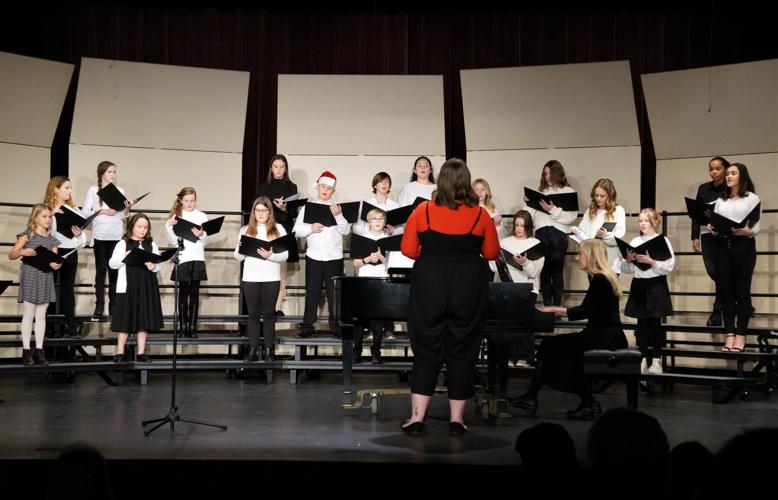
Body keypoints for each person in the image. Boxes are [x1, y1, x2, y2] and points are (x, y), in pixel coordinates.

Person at [400, 158, 500, 435]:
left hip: (430, 284)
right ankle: (457, 420)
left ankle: (417, 418)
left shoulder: (424, 210)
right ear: (466, 182)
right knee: (462, 350)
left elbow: (408, 249)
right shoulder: (480, 215)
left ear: (441, 181)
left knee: (426, 349)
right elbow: (491, 253)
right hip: (467, 286)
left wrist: (432, 257)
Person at [512, 239, 627, 420]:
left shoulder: (600, 279)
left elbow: (585, 311)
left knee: (551, 347)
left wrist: (553, 309)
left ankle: (537, 397)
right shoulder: (600, 277)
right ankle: (534, 397)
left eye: (580, 254)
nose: (577, 258)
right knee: (551, 346)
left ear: (590, 256)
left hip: (605, 337)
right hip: (602, 334)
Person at [292, 171, 350, 337]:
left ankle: (336, 326)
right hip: (314, 257)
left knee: (335, 294)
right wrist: (311, 227)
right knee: (312, 291)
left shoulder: (337, 208)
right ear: (318, 187)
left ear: (333, 191)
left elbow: (345, 230)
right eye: (323, 187)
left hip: (334, 257)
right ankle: (308, 325)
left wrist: (338, 216)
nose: (326, 190)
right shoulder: (307, 208)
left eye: (329, 188)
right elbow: (296, 230)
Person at [709, 162, 760, 353]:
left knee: (742, 291)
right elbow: (716, 222)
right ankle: (729, 334)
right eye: (728, 173)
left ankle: (741, 335)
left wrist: (748, 231)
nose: (729, 176)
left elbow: (756, 227)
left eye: (732, 173)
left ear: (742, 176)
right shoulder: (721, 200)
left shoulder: (752, 198)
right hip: (723, 247)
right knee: (725, 292)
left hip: (743, 247)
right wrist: (713, 228)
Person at [234, 196, 289, 361]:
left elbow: (285, 255)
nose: (260, 213)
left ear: (269, 212)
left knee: (269, 314)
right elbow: (237, 256)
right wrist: (243, 249)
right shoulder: (246, 229)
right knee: (253, 314)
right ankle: (252, 350)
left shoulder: (278, 229)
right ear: (253, 212)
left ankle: (268, 350)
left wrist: (271, 255)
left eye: (264, 210)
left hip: (271, 277)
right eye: (257, 210)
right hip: (250, 277)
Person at [622, 208, 675, 374]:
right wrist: (629, 261)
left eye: (645, 220)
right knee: (642, 325)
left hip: (656, 284)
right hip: (639, 284)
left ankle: (657, 361)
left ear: (654, 222)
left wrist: (652, 262)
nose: (642, 224)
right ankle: (642, 359)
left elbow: (670, 265)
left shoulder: (662, 240)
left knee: (655, 325)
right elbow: (626, 269)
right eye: (640, 221)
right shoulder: (635, 240)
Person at [489, 210, 545, 366]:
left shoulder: (535, 244)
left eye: (523, 226)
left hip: (527, 289)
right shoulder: (505, 242)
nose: (519, 229)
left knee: (523, 323)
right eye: (517, 225)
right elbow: (494, 266)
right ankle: (508, 357)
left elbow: (535, 272)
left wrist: (524, 263)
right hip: (506, 288)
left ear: (529, 227)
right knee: (507, 325)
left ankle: (524, 357)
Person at [8, 204, 62, 366]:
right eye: (44, 216)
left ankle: (39, 350)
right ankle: (26, 351)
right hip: (31, 276)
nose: (48, 219)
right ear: (36, 217)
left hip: (45, 276)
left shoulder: (53, 239)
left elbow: (56, 261)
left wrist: (56, 265)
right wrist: (23, 252)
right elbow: (12, 254)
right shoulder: (27, 235)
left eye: (50, 216)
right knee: (29, 314)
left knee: (41, 315)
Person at [109, 214, 163, 363]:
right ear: (132, 227)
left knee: (143, 319)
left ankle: (141, 352)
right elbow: (112, 264)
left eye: (145, 227)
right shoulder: (123, 243)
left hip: (146, 284)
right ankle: (120, 352)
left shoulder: (151, 245)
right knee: (125, 319)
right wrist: (124, 257)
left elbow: (159, 264)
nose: (142, 230)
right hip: (128, 285)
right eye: (139, 226)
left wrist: (155, 266)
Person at [523, 160, 578, 306]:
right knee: (544, 272)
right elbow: (529, 216)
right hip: (541, 233)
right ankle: (547, 306)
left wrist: (552, 210)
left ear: (557, 173)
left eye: (550, 173)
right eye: (545, 173)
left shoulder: (568, 191)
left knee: (557, 271)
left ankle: (557, 307)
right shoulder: (541, 192)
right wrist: (528, 203)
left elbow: (571, 217)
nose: (547, 177)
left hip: (558, 235)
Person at [81, 161, 130, 318]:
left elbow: (122, 215)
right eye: (110, 172)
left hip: (116, 236)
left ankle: (113, 305)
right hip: (101, 236)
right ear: (102, 173)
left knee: (114, 271)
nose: (113, 175)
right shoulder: (93, 190)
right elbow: (85, 212)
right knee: (101, 271)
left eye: (114, 172)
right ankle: (99, 305)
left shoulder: (120, 190)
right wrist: (102, 211)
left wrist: (127, 208)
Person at [45, 176, 87, 338]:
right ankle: (47, 329)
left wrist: (79, 234)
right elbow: (45, 236)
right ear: (56, 189)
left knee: (68, 291)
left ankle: (71, 327)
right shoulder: (47, 209)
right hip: (53, 252)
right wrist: (51, 216)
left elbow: (82, 241)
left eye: (70, 188)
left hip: (70, 252)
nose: (70, 191)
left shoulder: (74, 210)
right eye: (66, 188)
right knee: (49, 291)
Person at [256, 154, 300, 315]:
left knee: (281, 269)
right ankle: (263, 306)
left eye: (282, 167)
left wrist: (283, 208)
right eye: (276, 167)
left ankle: (277, 307)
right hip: (266, 231)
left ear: (286, 169)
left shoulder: (291, 187)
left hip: (283, 229)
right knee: (264, 266)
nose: (279, 170)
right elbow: (256, 209)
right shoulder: (263, 187)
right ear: (271, 168)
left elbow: (293, 213)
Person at [165, 187, 210, 338]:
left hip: (197, 257)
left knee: (195, 292)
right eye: (186, 201)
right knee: (183, 292)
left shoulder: (202, 216)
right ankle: (183, 327)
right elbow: (173, 242)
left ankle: (192, 327)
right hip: (183, 257)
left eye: (192, 200)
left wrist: (202, 234)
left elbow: (206, 241)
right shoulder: (176, 216)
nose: (189, 204)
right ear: (180, 201)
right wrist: (169, 226)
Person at [352, 208, 393, 364]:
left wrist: (383, 259)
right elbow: (355, 264)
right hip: (364, 281)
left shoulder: (389, 240)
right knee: (360, 321)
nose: (378, 222)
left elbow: (393, 265)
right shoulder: (362, 238)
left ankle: (376, 352)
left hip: (381, 282)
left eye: (381, 219)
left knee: (378, 322)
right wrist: (367, 259)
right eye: (375, 219)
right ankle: (357, 351)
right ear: (369, 222)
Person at [692, 156, 728, 327]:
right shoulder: (703, 189)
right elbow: (695, 213)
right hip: (706, 234)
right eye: (711, 168)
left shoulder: (731, 187)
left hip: (725, 236)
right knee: (713, 271)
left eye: (717, 168)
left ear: (725, 170)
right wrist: (694, 237)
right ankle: (736, 300)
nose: (714, 172)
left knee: (722, 272)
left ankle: (717, 311)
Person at [570, 178, 626, 274]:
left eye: (602, 196)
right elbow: (584, 235)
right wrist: (577, 233)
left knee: (608, 288)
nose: (598, 199)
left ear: (610, 196)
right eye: (596, 195)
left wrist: (605, 235)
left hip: (610, 261)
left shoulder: (618, 210)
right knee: (594, 288)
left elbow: (619, 237)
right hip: (592, 260)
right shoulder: (590, 211)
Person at [353, 172, 401, 237]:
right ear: (375, 185)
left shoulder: (395, 205)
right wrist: (370, 232)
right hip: (369, 241)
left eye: (387, 181)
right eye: (381, 181)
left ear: (389, 186)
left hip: (388, 241)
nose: (384, 184)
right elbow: (356, 227)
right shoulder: (366, 204)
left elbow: (402, 228)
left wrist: (393, 231)